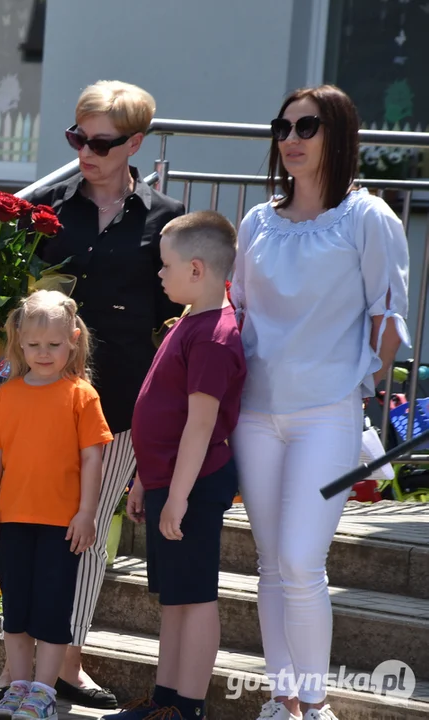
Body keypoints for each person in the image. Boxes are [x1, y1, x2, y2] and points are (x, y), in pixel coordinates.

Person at [0, 80, 185, 710]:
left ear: (136, 143)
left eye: (101, 142)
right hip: (34, 396)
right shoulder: (42, 205)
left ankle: (66, 664)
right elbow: (3, 300)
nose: (86, 151)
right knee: (25, 530)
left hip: (118, 396)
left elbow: (175, 314)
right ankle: (23, 672)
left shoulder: (164, 217)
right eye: (77, 138)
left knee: (88, 531)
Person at [230, 85, 409, 720]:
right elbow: (239, 315)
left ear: (338, 134)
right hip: (255, 414)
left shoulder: (369, 217)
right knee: (271, 565)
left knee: (303, 562)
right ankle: (283, 699)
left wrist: (355, 384)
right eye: (282, 127)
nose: (292, 139)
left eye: (307, 126)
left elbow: (388, 319)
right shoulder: (257, 221)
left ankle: (316, 702)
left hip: (327, 416)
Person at [105, 212, 245, 720]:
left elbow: (200, 425)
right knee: (174, 599)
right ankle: (164, 698)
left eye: (165, 266)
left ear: (196, 269)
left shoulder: (213, 335)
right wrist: (146, 479)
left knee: (196, 596)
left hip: (195, 484)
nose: (157, 275)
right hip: (169, 480)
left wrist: (180, 496)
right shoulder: (190, 321)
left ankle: (188, 707)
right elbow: (160, 410)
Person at [0, 290, 110, 720]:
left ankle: (44, 694)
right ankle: (18, 685)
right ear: (19, 343)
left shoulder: (82, 395)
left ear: (73, 339)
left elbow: (93, 457)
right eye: (33, 345)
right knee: (14, 608)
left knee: (52, 610)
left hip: (61, 524)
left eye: (53, 344)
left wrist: (87, 511)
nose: (43, 353)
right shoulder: (9, 393)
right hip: (14, 519)